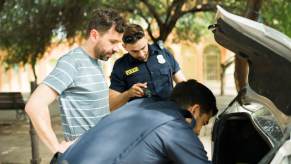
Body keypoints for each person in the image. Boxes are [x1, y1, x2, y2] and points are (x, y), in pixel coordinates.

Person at [25, 8, 126, 154]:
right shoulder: (71, 62)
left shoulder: (96, 62)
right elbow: (34, 106)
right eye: (113, 41)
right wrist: (57, 149)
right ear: (94, 35)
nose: (117, 48)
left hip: (102, 151)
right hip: (83, 155)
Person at [56, 79, 218, 164]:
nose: (198, 132)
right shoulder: (175, 125)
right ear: (195, 110)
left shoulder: (139, 104)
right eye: (203, 123)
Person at [109, 24, 186, 111]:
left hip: (170, 115)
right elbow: (112, 106)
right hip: (142, 121)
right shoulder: (120, 66)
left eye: (143, 48)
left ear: (146, 39)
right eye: (135, 51)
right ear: (125, 47)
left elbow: (183, 85)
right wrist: (128, 93)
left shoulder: (163, 53)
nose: (141, 54)